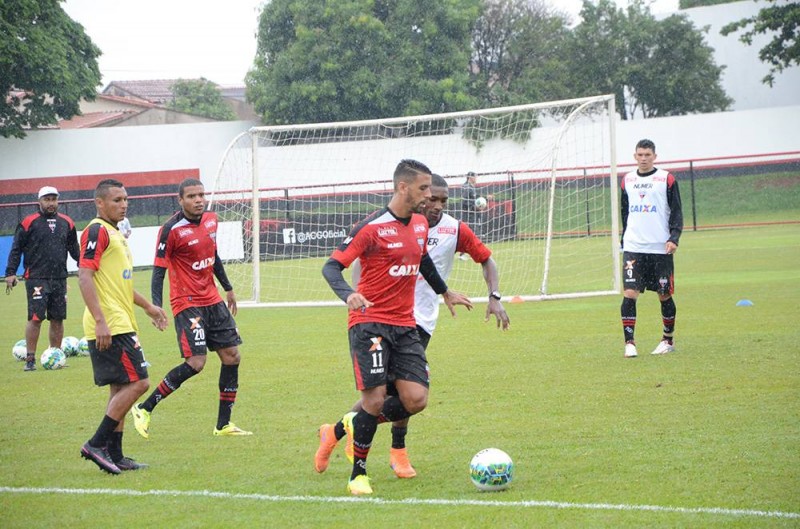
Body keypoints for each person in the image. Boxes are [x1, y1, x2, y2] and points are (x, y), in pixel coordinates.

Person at [316, 173, 510, 480]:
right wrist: (357, 298)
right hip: (384, 318)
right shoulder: (389, 225)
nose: (435, 204)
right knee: (387, 394)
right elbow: (355, 264)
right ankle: (395, 453)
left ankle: (340, 431)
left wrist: (487, 295)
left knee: (405, 396)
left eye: (442, 200)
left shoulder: (453, 228)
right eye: (431, 197)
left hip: (421, 321)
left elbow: (483, 259)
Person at [130, 178, 252, 438]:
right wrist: (156, 306)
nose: (198, 200)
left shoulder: (211, 220)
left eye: (201, 195)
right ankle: (144, 408)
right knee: (196, 362)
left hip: (213, 300)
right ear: (180, 200)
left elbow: (213, 255)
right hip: (187, 303)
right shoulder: (171, 230)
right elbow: (159, 270)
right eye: (192, 196)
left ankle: (223, 425)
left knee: (232, 356)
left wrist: (228, 287)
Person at [78, 179, 168, 474]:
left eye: (125, 199)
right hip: (111, 324)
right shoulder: (97, 230)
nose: (124, 204)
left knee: (119, 387)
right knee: (139, 382)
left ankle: (115, 456)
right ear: (100, 203)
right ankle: (96, 443)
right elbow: (84, 277)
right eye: (116, 200)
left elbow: (121, 284)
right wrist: (101, 320)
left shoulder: (115, 233)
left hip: (121, 319)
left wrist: (148, 307)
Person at [4, 186, 80, 371]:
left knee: (57, 319)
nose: (51, 203)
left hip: (60, 278)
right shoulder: (29, 222)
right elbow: (16, 249)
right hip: (36, 278)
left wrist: (84, 265)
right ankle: (30, 360)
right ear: (39, 201)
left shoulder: (67, 222)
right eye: (47, 199)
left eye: (54, 199)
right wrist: (10, 272)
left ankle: (55, 355)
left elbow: (74, 249)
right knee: (36, 318)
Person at [620, 139, 683, 358]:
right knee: (629, 293)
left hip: (660, 248)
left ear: (654, 156)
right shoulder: (627, 179)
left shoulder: (666, 179)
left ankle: (667, 339)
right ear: (634, 156)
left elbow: (676, 210)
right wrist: (624, 237)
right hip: (634, 247)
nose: (643, 158)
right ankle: (629, 343)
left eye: (647, 154)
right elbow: (625, 211)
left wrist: (674, 237)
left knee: (664, 295)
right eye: (640, 154)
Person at [458, 172, 478, 259]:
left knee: (471, 232)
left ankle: (466, 252)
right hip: (467, 213)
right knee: (467, 233)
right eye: (475, 177)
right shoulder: (467, 187)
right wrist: (474, 207)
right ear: (470, 177)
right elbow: (465, 201)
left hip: (471, 213)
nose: (476, 179)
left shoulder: (471, 187)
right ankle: (462, 253)